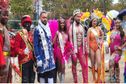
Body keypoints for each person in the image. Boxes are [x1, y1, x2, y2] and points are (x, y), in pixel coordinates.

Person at [34, 11, 56, 83]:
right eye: (43, 17)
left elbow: (50, 43)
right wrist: (38, 58)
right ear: (40, 18)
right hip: (42, 58)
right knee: (42, 76)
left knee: (51, 75)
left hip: (50, 58)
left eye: (46, 17)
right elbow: (35, 45)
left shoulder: (48, 28)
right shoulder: (37, 29)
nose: (45, 19)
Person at [69, 9, 88, 83]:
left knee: (84, 65)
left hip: (81, 49)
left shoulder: (82, 26)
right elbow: (70, 40)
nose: (79, 18)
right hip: (74, 49)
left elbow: (84, 38)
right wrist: (72, 51)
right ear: (74, 17)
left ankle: (85, 81)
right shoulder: (71, 27)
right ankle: (75, 81)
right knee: (74, 65)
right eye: (77, 16)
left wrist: (85, 48)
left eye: (80, 16)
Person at [15, 15, 35, 83]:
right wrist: (23, 51)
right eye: (26, 23)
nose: (28, 25)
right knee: (25, 80)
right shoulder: (19, 34)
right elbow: (16, 49)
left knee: (32, 79)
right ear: (23, 24)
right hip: (23, 61)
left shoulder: (31, 34)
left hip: (32, 61)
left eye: (29, 23)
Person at [53, 17, 72, 83]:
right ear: (59, 24)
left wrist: (69, 49)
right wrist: (57, 39)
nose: (62, 24)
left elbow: (69, 42)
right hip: (58, 51)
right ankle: (61, 80)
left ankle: (62, 81)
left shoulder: (67, 33)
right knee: (59, 68)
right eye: (61, 23)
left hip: (65, 52)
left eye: (63, 23)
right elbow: (53, 42)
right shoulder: (57, 32)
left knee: (63, 67)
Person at [87, 18, 103, 83]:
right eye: (93, 21)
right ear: (91, 22)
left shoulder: (99, 28)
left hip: (97, 47)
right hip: (91, 47)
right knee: (93, 63)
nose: (95, 22)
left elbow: (102, 35)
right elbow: (88, 40)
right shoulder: (89, 30)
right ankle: (94, 77)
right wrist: (88, 49)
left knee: (99, 62)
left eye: (96, 21)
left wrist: (101, 41)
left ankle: (99, 78)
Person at [109, 19, 125, 83]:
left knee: (111, 61)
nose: (117, 24)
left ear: (120, 23)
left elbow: (125, 41)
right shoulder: (112, 31)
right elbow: (110, 40)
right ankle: (117, 77)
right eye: (116, 23)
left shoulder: (122, 32)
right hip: (112, 50)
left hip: (118, 51)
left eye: (118, 23)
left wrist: (121, 47)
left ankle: (112, 77)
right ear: (114, 24)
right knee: (115, 63)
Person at [0, 7, 11, 83]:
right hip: (2, 62)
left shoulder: (4, 28)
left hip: (7, 59)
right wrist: (2, 62)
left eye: (7, 15)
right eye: (4, 15)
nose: (6, 17)